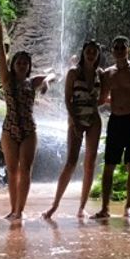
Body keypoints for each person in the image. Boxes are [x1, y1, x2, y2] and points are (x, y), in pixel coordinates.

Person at [0, 13, 55, 221]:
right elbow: (1, 55)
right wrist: (0, 34)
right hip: (9, 129)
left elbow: (55, 74)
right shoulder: (7, 79)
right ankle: (13, 209)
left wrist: (47, 81)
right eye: (19, 62)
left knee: (25, 170)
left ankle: (20, 210)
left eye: (26, 63)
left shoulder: (33, 81)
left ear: (29, 66)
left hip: (29, 130)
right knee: (12, 171)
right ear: (14, 64)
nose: (22, 65)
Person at [42, 40, 104, 220]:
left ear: (98, 54)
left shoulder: (100, 73)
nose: (91, 54)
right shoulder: (73, 72)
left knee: (90, 163)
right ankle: (54, 206)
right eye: (88, 51)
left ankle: (81, 208)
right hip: (76, 119)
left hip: (94, 119)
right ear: (83, 53)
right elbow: (67, 99)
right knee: (71, 161)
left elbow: (102, 97)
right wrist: (74, 120)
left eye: (94, 51)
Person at [92, 36, 130, 220]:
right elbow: (102, 99)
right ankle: (104, 207)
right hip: (115, 120)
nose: (119, 50)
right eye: (116, 48)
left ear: (128, 49)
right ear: (112, 51)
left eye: (122, 47)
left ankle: (128, 206)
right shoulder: (108, 74)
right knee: (109, 164)